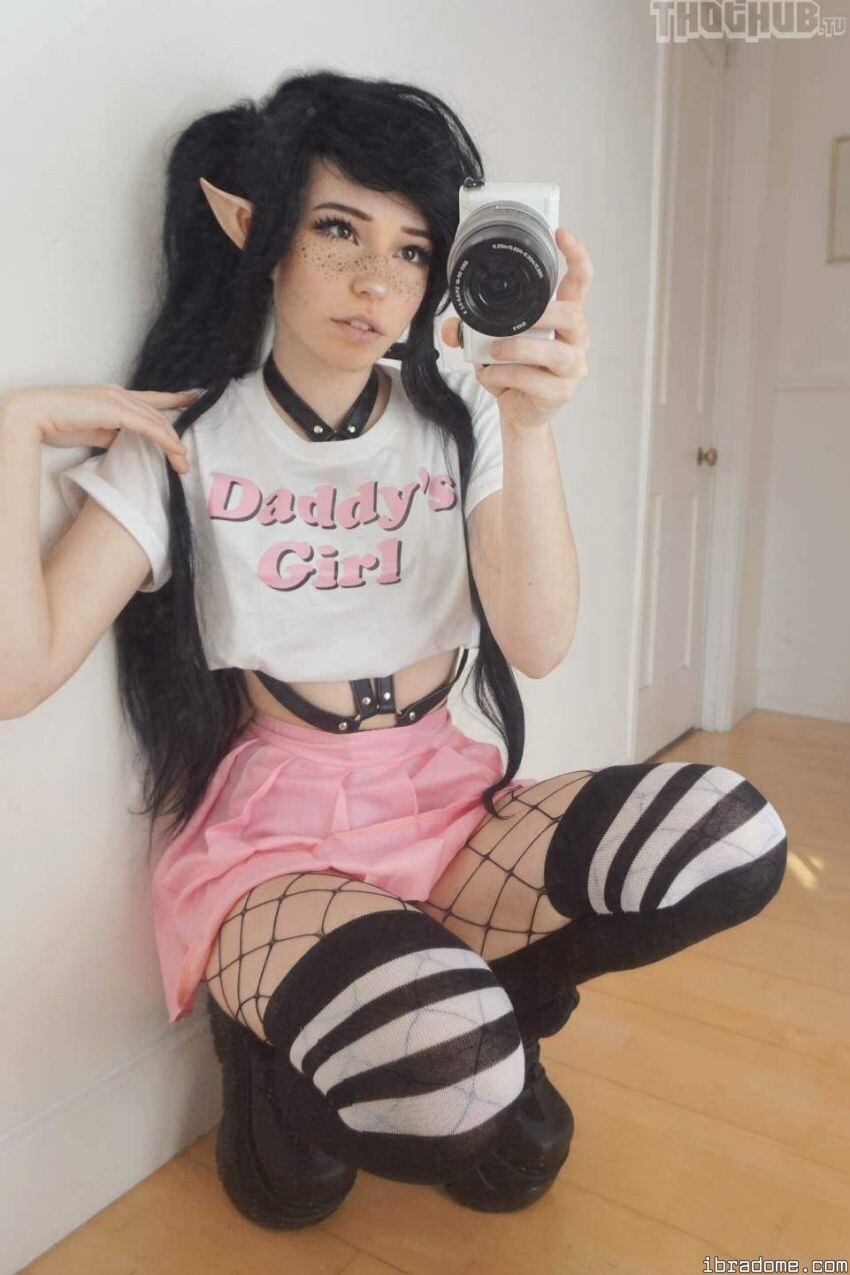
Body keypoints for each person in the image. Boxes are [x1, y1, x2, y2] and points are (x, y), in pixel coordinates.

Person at [0, 69, 788, 1230]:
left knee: (727, 835)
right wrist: (12, 431)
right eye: (337, 230)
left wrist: (528, 423)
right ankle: (283, 1052)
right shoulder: (186, 441)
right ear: (254, 229)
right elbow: (18, 674)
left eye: (414, 250)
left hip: (445, 800)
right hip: (278, 840)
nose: (377, 282)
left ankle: (491, 1004)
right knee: (353, 1152)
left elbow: (538, 639)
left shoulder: (460, 412)